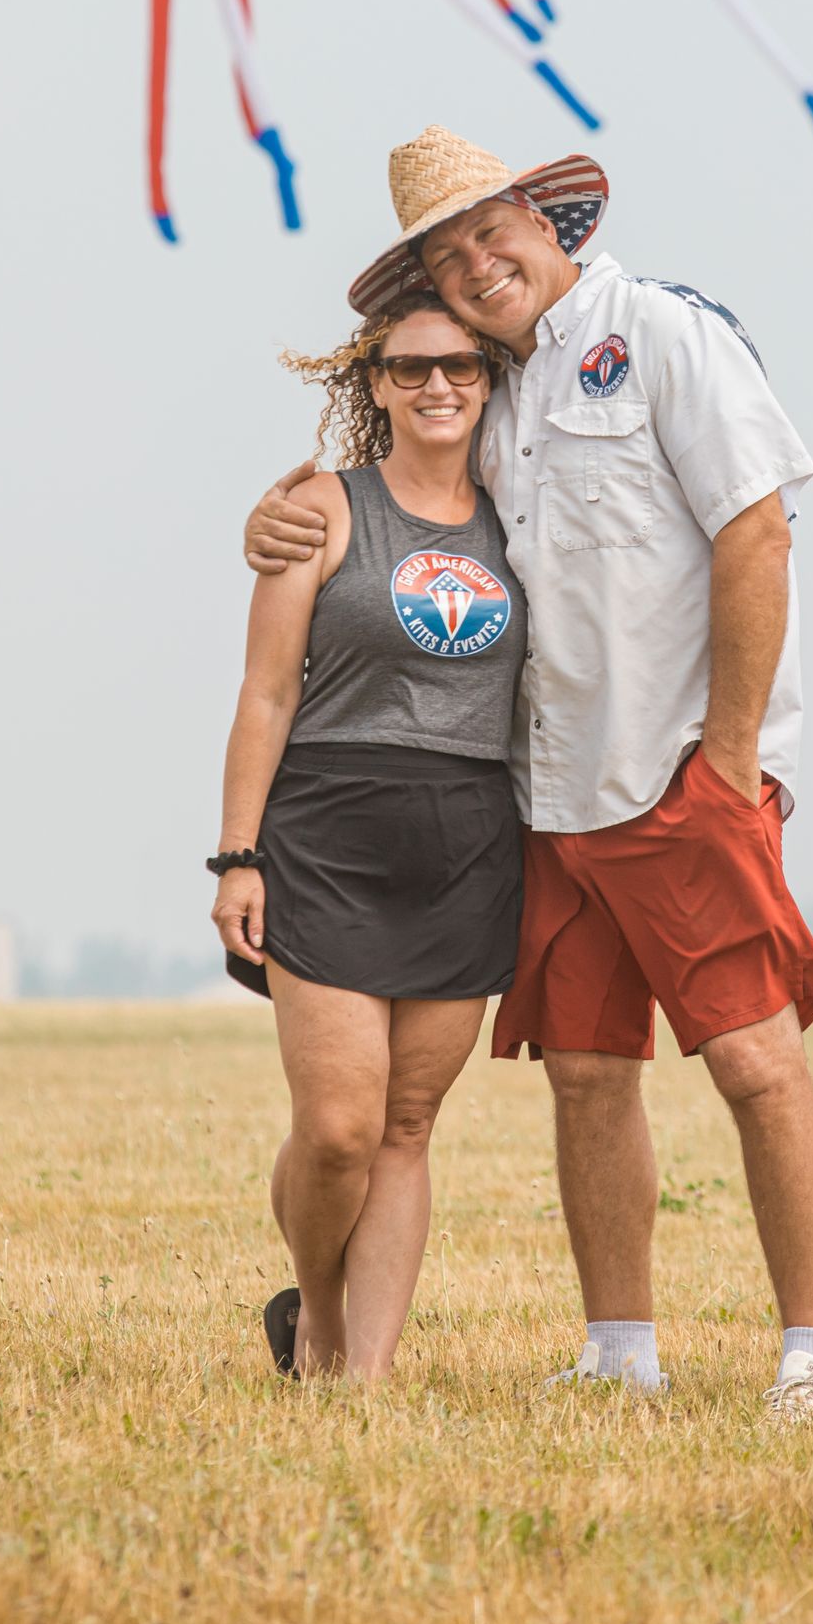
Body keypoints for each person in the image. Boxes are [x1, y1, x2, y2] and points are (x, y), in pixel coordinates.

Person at [244, 127, 813, 1420]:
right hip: (548, 797)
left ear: (547, 221)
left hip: (683, 779)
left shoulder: (668, 335)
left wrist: (731, 761)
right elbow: (402, 518)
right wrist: (273, 519)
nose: (478, 265)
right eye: (448, 256)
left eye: (492, 232)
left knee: (756, 1065)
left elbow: (757, 535)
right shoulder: (498, 385)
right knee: (585, 1075)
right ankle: (619, 1348)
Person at [210, 289, 524, 1382]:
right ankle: (322, 1317)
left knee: (407, 1126)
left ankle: (365, 1379)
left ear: (491, 381)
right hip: (329, 830)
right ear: (374, 386)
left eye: (462, 368)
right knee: (340, 1127)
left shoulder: (524, 513)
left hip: (473, 838)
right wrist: (236, 857)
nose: (438, 386)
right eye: (410, 369)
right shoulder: (322, 509)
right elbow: (264, 695)